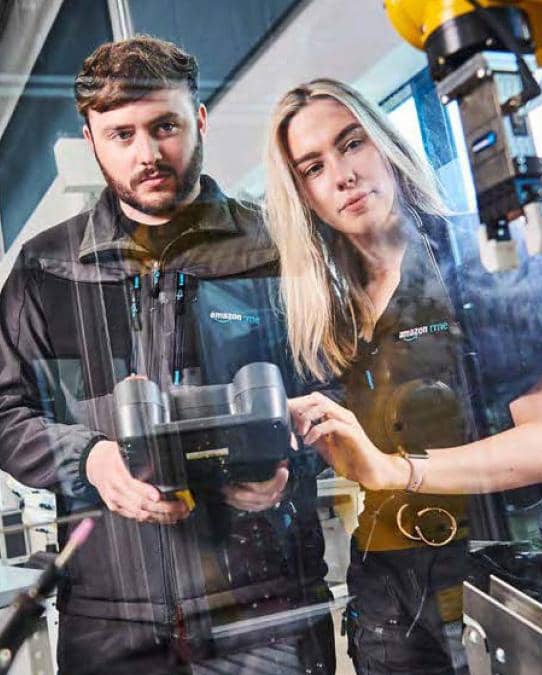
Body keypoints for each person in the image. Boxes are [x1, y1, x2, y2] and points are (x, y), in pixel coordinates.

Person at [0, 37, 333, 673]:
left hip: (264, 615)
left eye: (165, 126)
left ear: (199, 120)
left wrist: (285, 458)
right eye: (120, 134)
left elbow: (339, 388)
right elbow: (3, 408)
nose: (147, 154)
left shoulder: (277, 246)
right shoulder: (45, 268)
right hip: (112, 625)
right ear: (91, 140)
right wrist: (90, 458)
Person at [263, 78, 542, 674]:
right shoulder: (316, 313)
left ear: (385, 145)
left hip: (498, 569)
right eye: (313, 167)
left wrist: (396, 470)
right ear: (302, 195)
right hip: (384, 593)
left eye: (352, 144)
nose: (342, 175)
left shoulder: (480, 255)